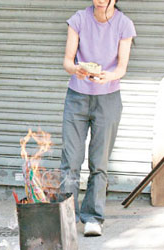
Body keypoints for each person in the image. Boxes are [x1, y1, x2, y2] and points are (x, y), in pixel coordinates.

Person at [60, 0, 136, 237]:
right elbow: (67, 62)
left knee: (99, 163)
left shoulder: (124, 24)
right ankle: (66, 217)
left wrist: (109, 76)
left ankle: (93, 217)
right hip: (77, 97)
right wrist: (77, 70)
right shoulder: (79, 19)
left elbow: (122, 67)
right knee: (70, 162)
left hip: (109, 98)